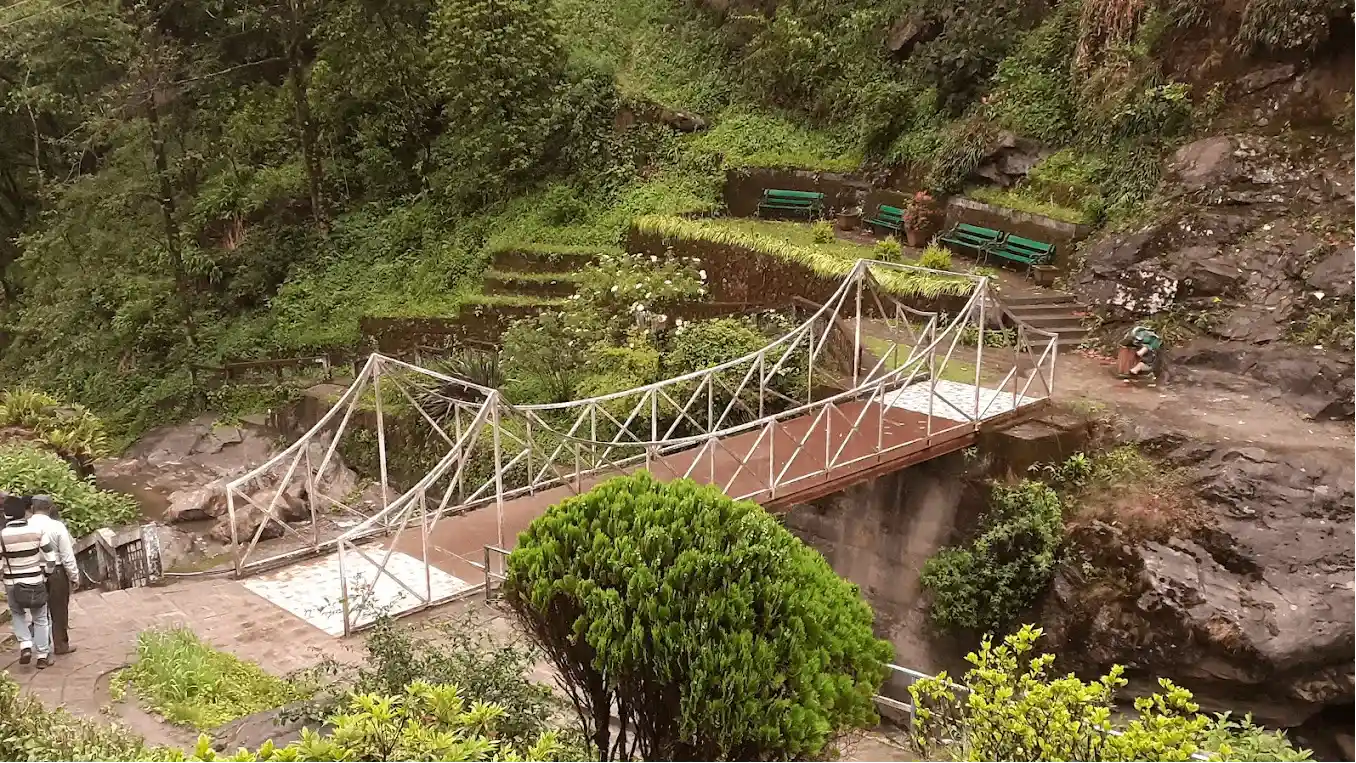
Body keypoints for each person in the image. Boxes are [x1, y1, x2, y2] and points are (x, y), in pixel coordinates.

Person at [0, 492, 55, 668]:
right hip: (36, 580)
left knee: (17, 614)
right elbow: (51, 558)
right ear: (25, 512)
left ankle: (25, 645)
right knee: (40, 618)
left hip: (12, 584)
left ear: (6, 514)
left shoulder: (2, 536)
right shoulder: (37, 531)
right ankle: (42, 656)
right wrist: (46, 574)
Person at [29, 495, 79, 655]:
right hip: (56, 572)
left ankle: (41, 647)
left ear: (31, 508)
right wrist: (74, 576)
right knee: (59, 610)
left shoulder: (26, 526)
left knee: (38, 611)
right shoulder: (57, 526)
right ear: (50, 508)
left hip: (34, 572)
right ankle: (61, 645)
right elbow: (67, 555)